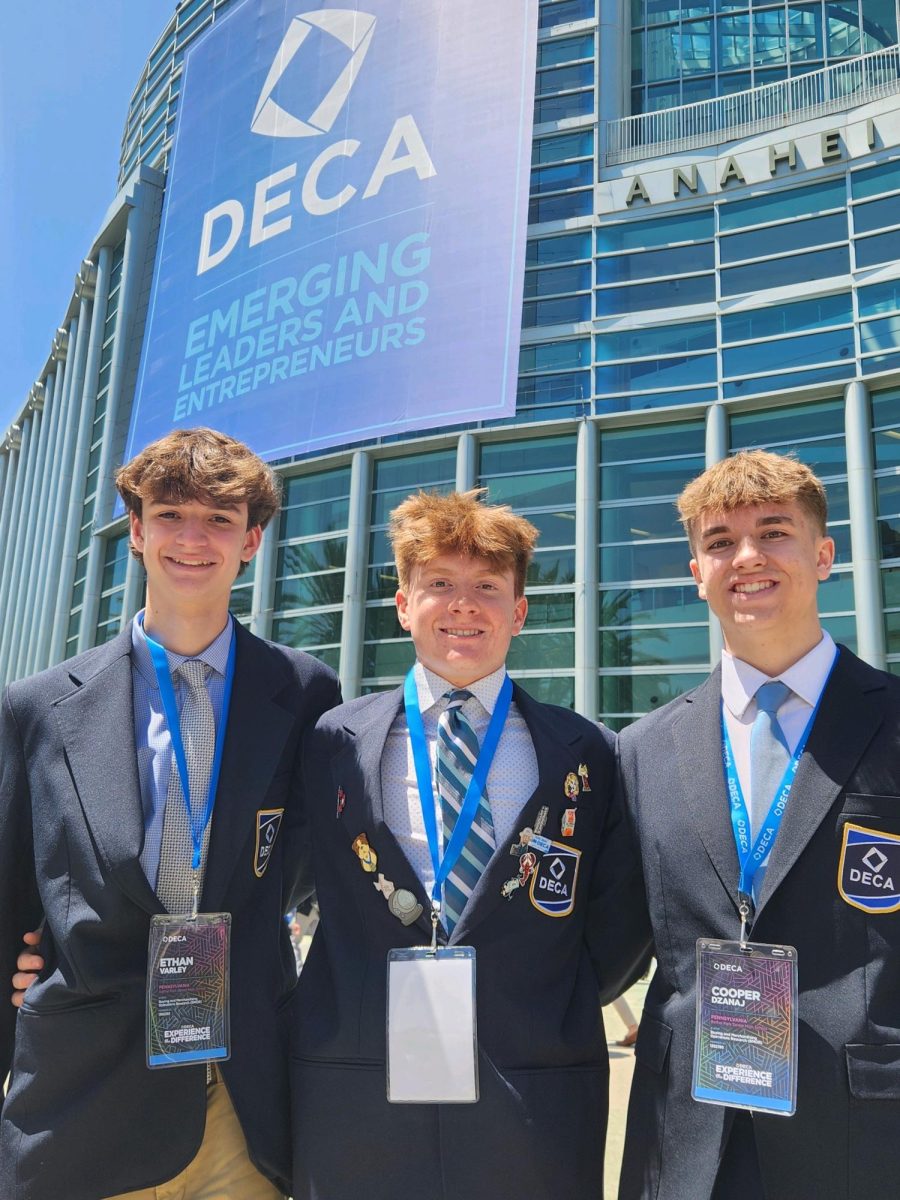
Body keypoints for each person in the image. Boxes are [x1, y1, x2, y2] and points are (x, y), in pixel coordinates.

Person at [0, 428, 340, 1200]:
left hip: (239, 1095)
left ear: (252, 540)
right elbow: (11, 892)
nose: (193, 538)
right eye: (171, 514)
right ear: (137, 531)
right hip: (80, 1099)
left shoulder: (306, 694)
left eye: (220, 520)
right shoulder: (39, 708)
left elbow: (301, 870)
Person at [289, 488, 651, 1200]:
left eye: (487, 587)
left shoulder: (585, 751)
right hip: (360, 1095)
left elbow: (618, 920)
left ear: (518, 611)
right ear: (402, 604)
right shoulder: (333, 741)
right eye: (440, 585)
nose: (464, 604)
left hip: (531, 1095)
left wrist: (539, 996)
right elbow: (286, 877)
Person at [617, 450, 900, 1200]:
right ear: (696, 571)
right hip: (689, 1135)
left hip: (864, 1130)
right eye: (719, 542)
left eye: (774, 532)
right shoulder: (643, 750)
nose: (746, 557)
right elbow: (609, 943)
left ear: (824, 554)